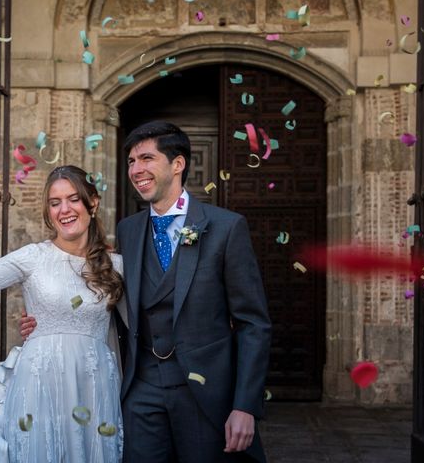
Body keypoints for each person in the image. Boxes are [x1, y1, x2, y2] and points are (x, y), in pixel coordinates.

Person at [21, 121, 272, 462]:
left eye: (146, 158)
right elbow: (103, 291)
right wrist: (48, 318)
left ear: (178, 164)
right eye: (131, 162)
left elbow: (252, 323)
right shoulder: (129, 229)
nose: (135, 170)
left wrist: (245, 405)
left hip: (203, 392)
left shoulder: (225, 228)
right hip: (141, 389)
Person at [0, 165, 125, 462]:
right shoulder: (33, 257)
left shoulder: (116, 265)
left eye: (73, 199)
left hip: (93, 385)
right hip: (40, 383)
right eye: (55, 203)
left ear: (92, 202)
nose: (64, 209)